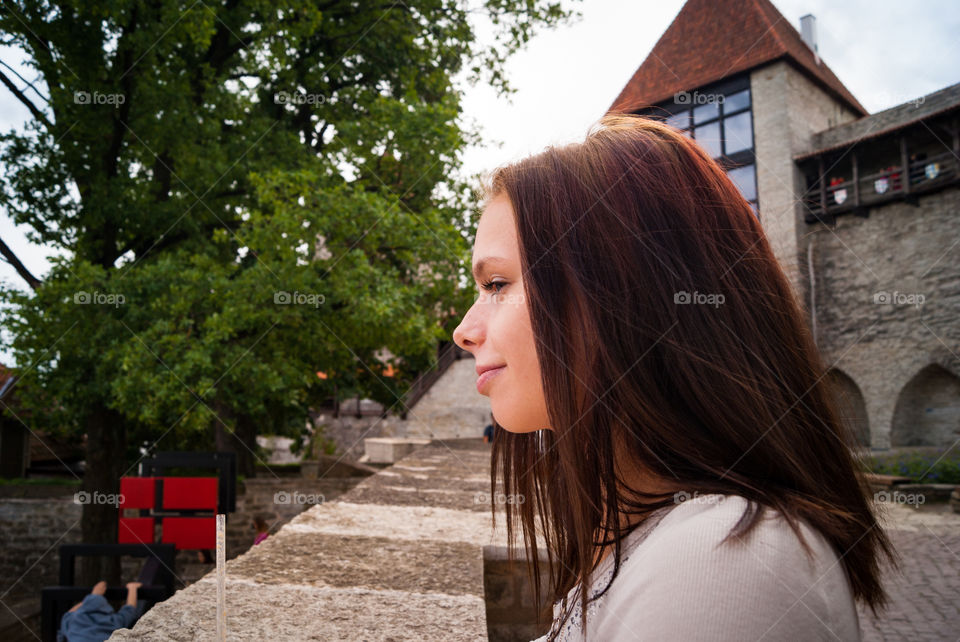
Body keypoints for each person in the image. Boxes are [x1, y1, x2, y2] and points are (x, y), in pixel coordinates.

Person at [452, 114, 900, 641]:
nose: (464, 331)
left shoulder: (722, 560)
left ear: (620, 293)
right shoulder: (666, 538)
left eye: (498, 283)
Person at [57, 580, 143, 642]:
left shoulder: (73, 620)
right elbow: (130, 609)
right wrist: (132, 588)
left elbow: (69, 612)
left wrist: (93, 595)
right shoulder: (113, 621)